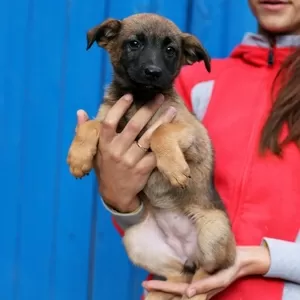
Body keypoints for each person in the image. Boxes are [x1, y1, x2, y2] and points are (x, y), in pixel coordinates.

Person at [76, 0, 300, 299]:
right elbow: (147, 211)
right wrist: (120, 199)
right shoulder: (193, 81)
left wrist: (263, 259)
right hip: (175, 287)